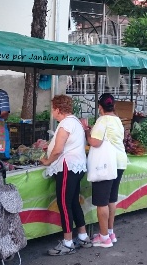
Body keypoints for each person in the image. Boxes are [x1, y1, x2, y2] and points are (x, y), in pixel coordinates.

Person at [40, 95, 91, 255]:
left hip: (67, 168)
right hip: (77, 167)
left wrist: (47, 161)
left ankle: (68, 242)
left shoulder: (65, 125)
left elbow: (58, 150)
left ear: (57, 109)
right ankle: (83, 236)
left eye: (52, 108)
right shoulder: (75, 121)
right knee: (73, 202)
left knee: (64, 204)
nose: (52, 112)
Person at [84, 93, 127, 248]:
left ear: (100, 107)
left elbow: (95, 142)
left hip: (106, 164)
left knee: (102, 201)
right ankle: (109, 232)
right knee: (111, 199)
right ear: (113, 106)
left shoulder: (102, 120)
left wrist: (87, 131)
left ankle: (103, 238)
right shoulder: (117, 120)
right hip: (120, 162)